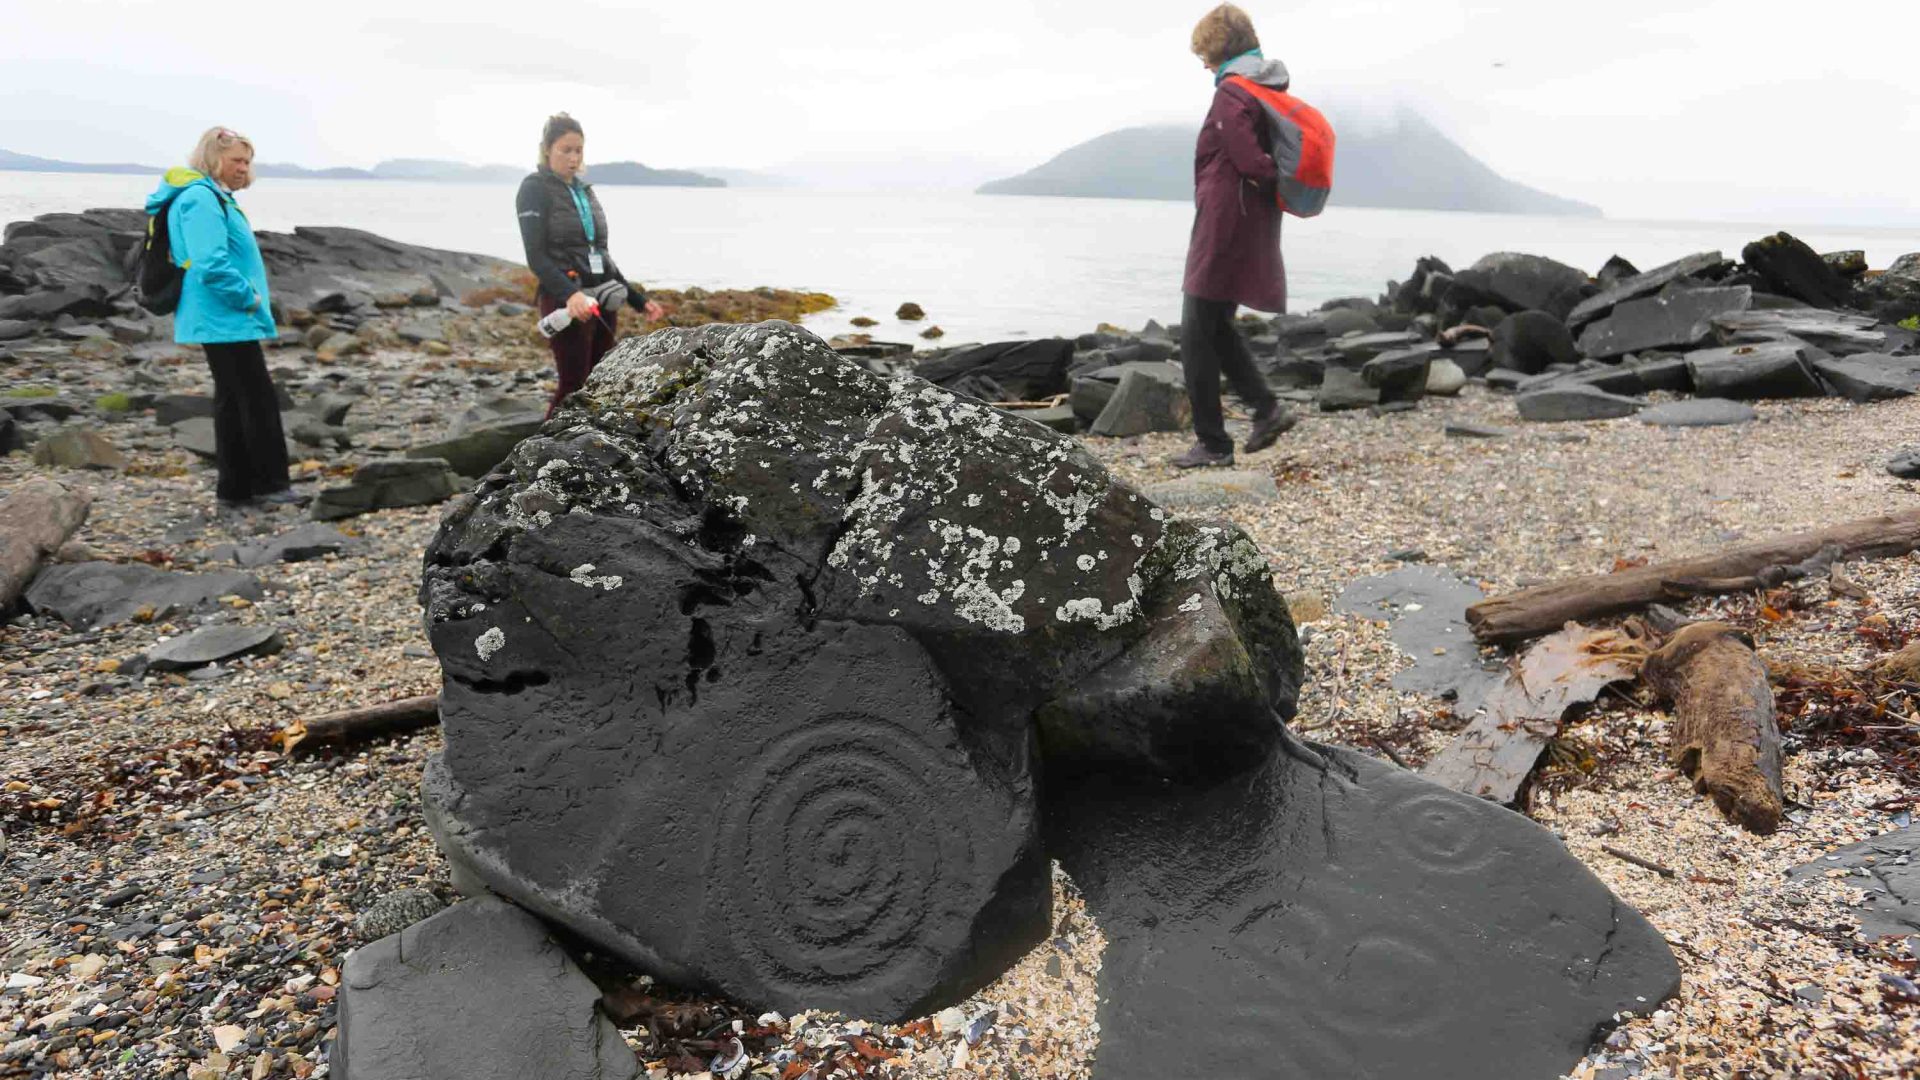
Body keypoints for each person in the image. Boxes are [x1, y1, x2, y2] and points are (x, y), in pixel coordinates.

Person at [145, 127, 298, 509]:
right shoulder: (200, 198)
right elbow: (210, 263)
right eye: (236, 160)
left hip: (222, 314)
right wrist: (248, 298)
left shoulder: (210, 196)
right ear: (213, 159)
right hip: (224, 314)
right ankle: (268, 486)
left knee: (235, 397)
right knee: (254, 398)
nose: (243, 168)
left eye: (247, 161)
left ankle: (237, 489)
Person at [1174, 3, 1299, 469]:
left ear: (1219, 50)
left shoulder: (1232, 92)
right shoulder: (1262, 87)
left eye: (1204, 55)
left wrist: (1248, 187)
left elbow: (1250, 162)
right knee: (1216, 327)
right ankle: (1266, 410)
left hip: (1225, 223)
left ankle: (1213, 443)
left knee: (1195, 332)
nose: (1204, 65)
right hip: (1247, 220)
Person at [516, 113, 665, 417]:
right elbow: (536, 256)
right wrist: (571, 294)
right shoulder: (534, 188)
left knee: (599, 382)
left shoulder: (585, 191)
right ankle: (547, 445)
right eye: (565, 150)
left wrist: (638, 300)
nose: (573, 158)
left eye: (578, 150)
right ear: (547, 149)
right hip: (567, 300)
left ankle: (589, 443)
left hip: (601, 299)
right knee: (573, 385)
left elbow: (602, 255)